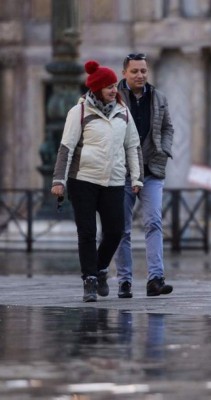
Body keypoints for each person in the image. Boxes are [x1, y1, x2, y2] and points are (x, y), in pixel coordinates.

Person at [51, 60, 143, 302]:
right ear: (96, 89)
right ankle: (89, 280)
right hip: (83, 180)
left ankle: (100, 269)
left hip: (113, 180)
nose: (114, 90)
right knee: (87, 232)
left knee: (115, 230)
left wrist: (136, 178)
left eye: (115, 85)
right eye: (109, 86)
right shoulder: (79, 111)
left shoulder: (123, 112)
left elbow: (132, 146)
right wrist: (58, 180)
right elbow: (66, 148)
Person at [114, 53, 175, 298]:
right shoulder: (114, 98)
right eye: (135, 71)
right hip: (123, 172)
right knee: (121, 229)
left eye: (143, 71)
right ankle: (124, 281)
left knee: (154, 223)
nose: (140, 75)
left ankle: (156, 279)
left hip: (152, 169)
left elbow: (168, 127)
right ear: (124, 73)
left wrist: (165, 149)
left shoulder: (158, 97)